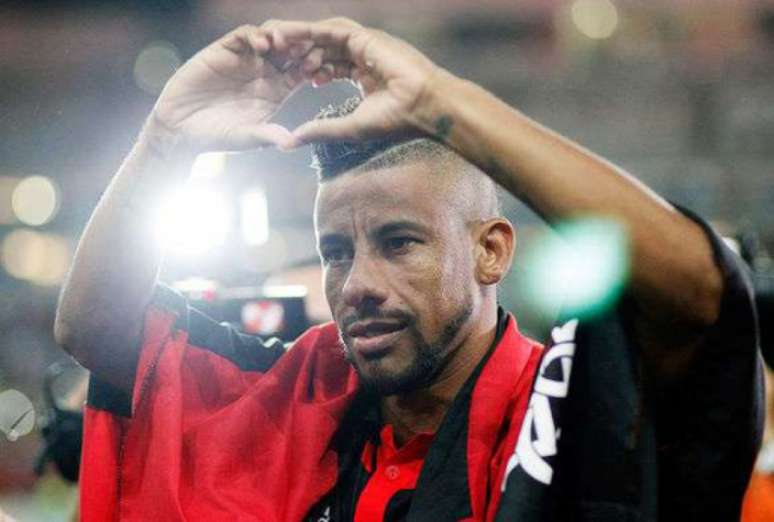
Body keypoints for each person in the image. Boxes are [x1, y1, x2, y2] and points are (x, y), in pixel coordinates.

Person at [54, 18, 761, 521]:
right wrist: (165, 141)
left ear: (492, 250)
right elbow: (97, 330)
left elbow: (701, 294)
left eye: (399, 243)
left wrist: (443, 105)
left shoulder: (563, 417)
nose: (356, 284)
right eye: (337, 251)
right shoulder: (295, 393)